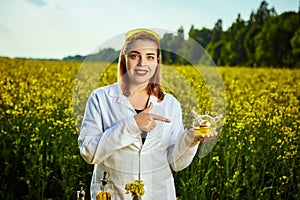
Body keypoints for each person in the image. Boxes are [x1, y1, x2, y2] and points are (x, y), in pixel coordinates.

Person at [78, 28, 218, 200]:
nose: (142, 63)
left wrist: (190, 139)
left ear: (157, 61)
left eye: (150, 57)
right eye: (135, 56)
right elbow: (89, 153)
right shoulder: (100, 98)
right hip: (113, 193)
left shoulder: (170, 104)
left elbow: (175, 163)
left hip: (158, 194)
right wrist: (132, 125)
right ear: (124, 59)